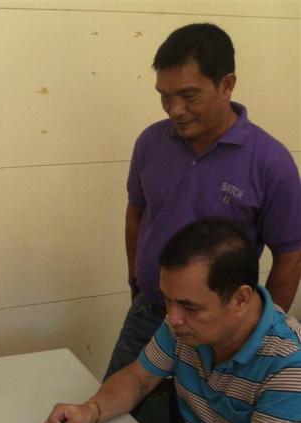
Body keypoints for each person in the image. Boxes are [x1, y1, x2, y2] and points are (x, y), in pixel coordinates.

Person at [106, 23, 301, 380]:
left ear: (227, 85)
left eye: (189, 96)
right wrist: (136, 277)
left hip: (219, 332)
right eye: (165, 96)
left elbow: (290, 257)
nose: (175, 110)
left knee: (203, 416)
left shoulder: (270, 162)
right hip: (148, 314)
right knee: (116, 402)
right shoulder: (151, 142)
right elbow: (136, 212)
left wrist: (257, 334)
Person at [45, 218, 301, 423]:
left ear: (240, 299)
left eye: (189, 307)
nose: (172, 318)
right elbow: (138, 379)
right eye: (167, 300)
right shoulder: (185, 326)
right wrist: (90, 410)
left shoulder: (290, 368)